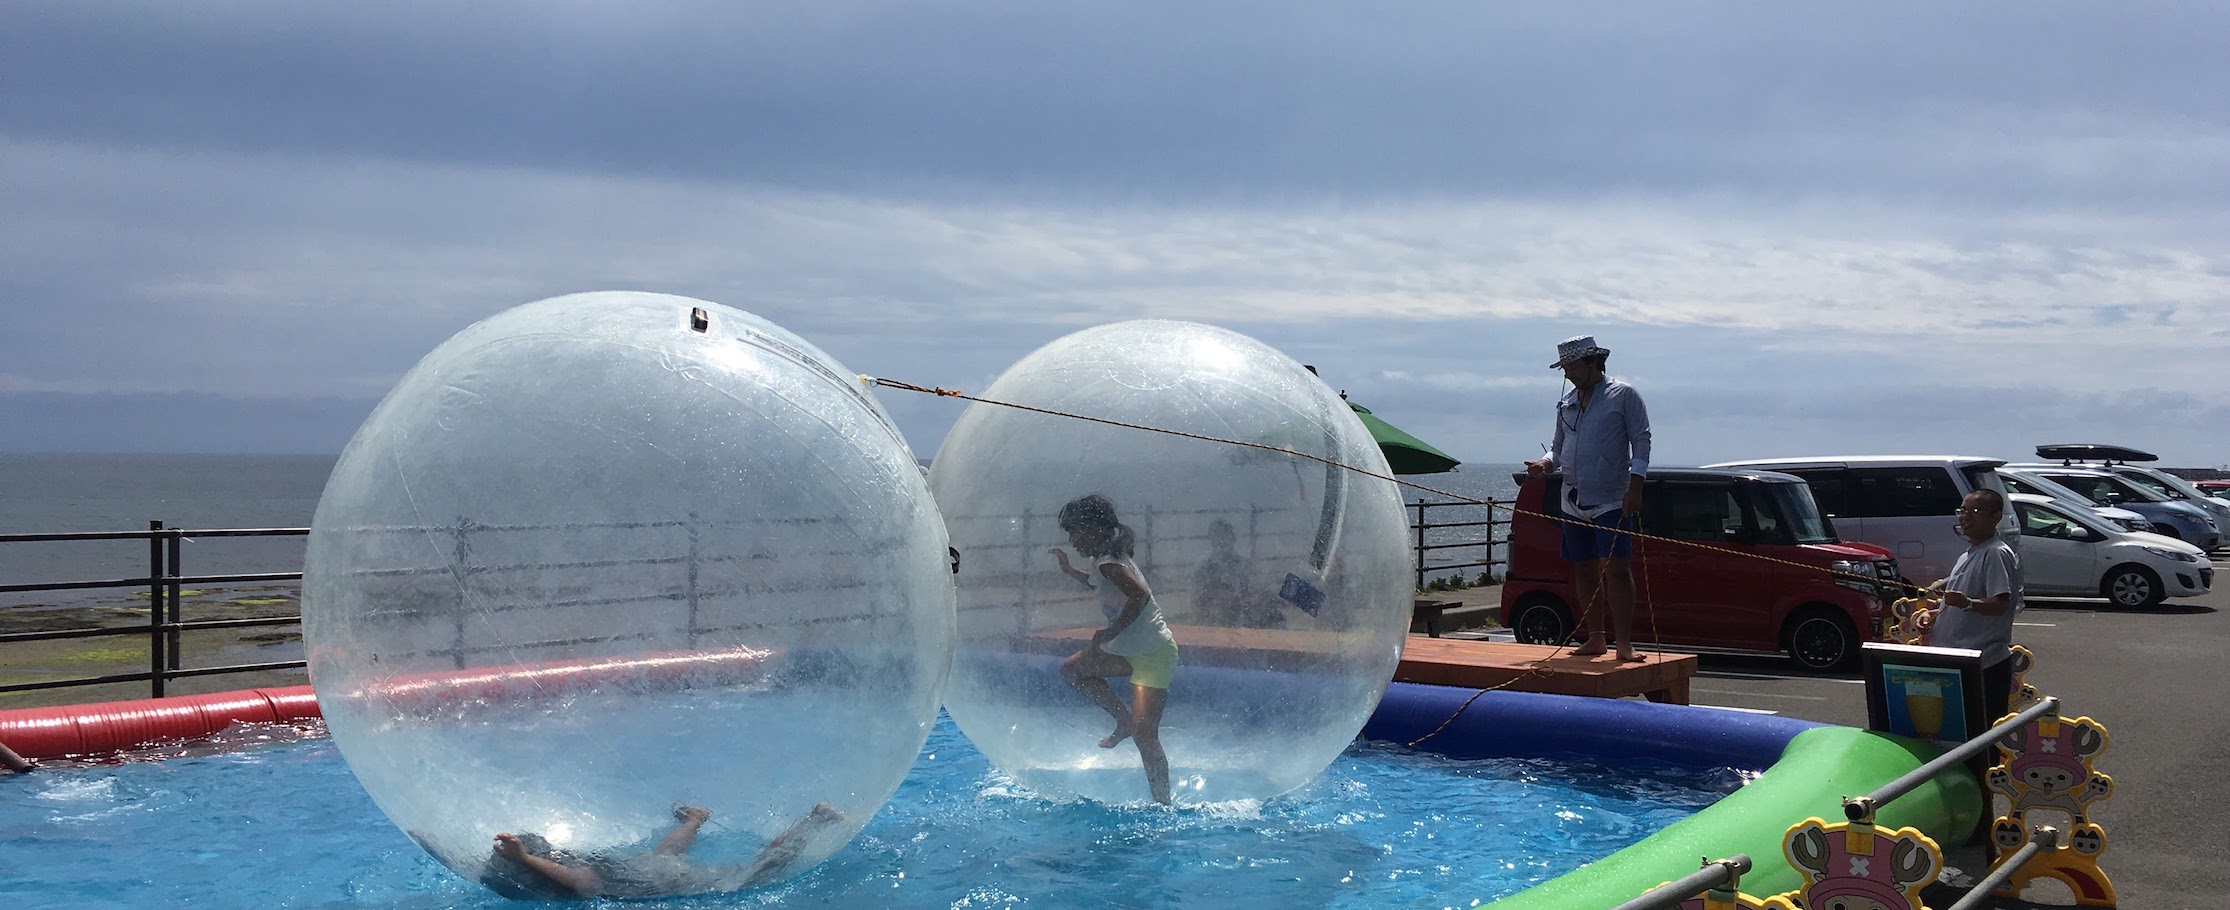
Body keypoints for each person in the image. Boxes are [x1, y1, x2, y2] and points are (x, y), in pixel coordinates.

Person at [1524, 335, 1652, 662]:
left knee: (1617, 569)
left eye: (1572, 366)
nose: (1568, 373)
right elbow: (1557, 446)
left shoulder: (1623, 395)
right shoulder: (1566, 402)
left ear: (1594, 362)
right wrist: (1545, 463)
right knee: (1583, 568)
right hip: (1573, 498)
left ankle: (1624, 643)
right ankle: (1596, 638)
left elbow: (1641, 440)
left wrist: (1636, 487)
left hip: (1613, 497)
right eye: (1564, 368)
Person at [1048, 493, 1177, 805]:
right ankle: (1123, 720)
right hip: (1127, 649)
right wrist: (1068, 570)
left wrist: (1111, 630)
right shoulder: (1104, 563)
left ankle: (1163, 804)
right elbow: (1096, 583)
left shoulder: (1109, 564)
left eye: (1074, 531)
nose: (1072, 540)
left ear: (1093, 529)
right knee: (1073, 670)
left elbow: (1141, 596)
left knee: (1146, 736)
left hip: (1152, 654)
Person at [477, 802, 845, 900]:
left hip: (661, 883)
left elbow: (578, 884)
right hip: (643, 872)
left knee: (753, 872)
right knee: (664, 855)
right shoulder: (569, 860)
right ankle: (694, 819)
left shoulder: (565, 876)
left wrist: (523, 859)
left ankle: (814, 822)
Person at [1925, 489, 2024, 725]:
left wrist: (1968, 603)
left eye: (1975, 511)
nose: (1965, 517)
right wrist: (1932, 618)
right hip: (1958, 662)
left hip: (1982, 664)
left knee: (1979, 736)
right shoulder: (1969, 553)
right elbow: (1956, 603)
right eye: (1962, 510)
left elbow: (2000, 604)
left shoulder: (1996, 553)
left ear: (1996, 516)